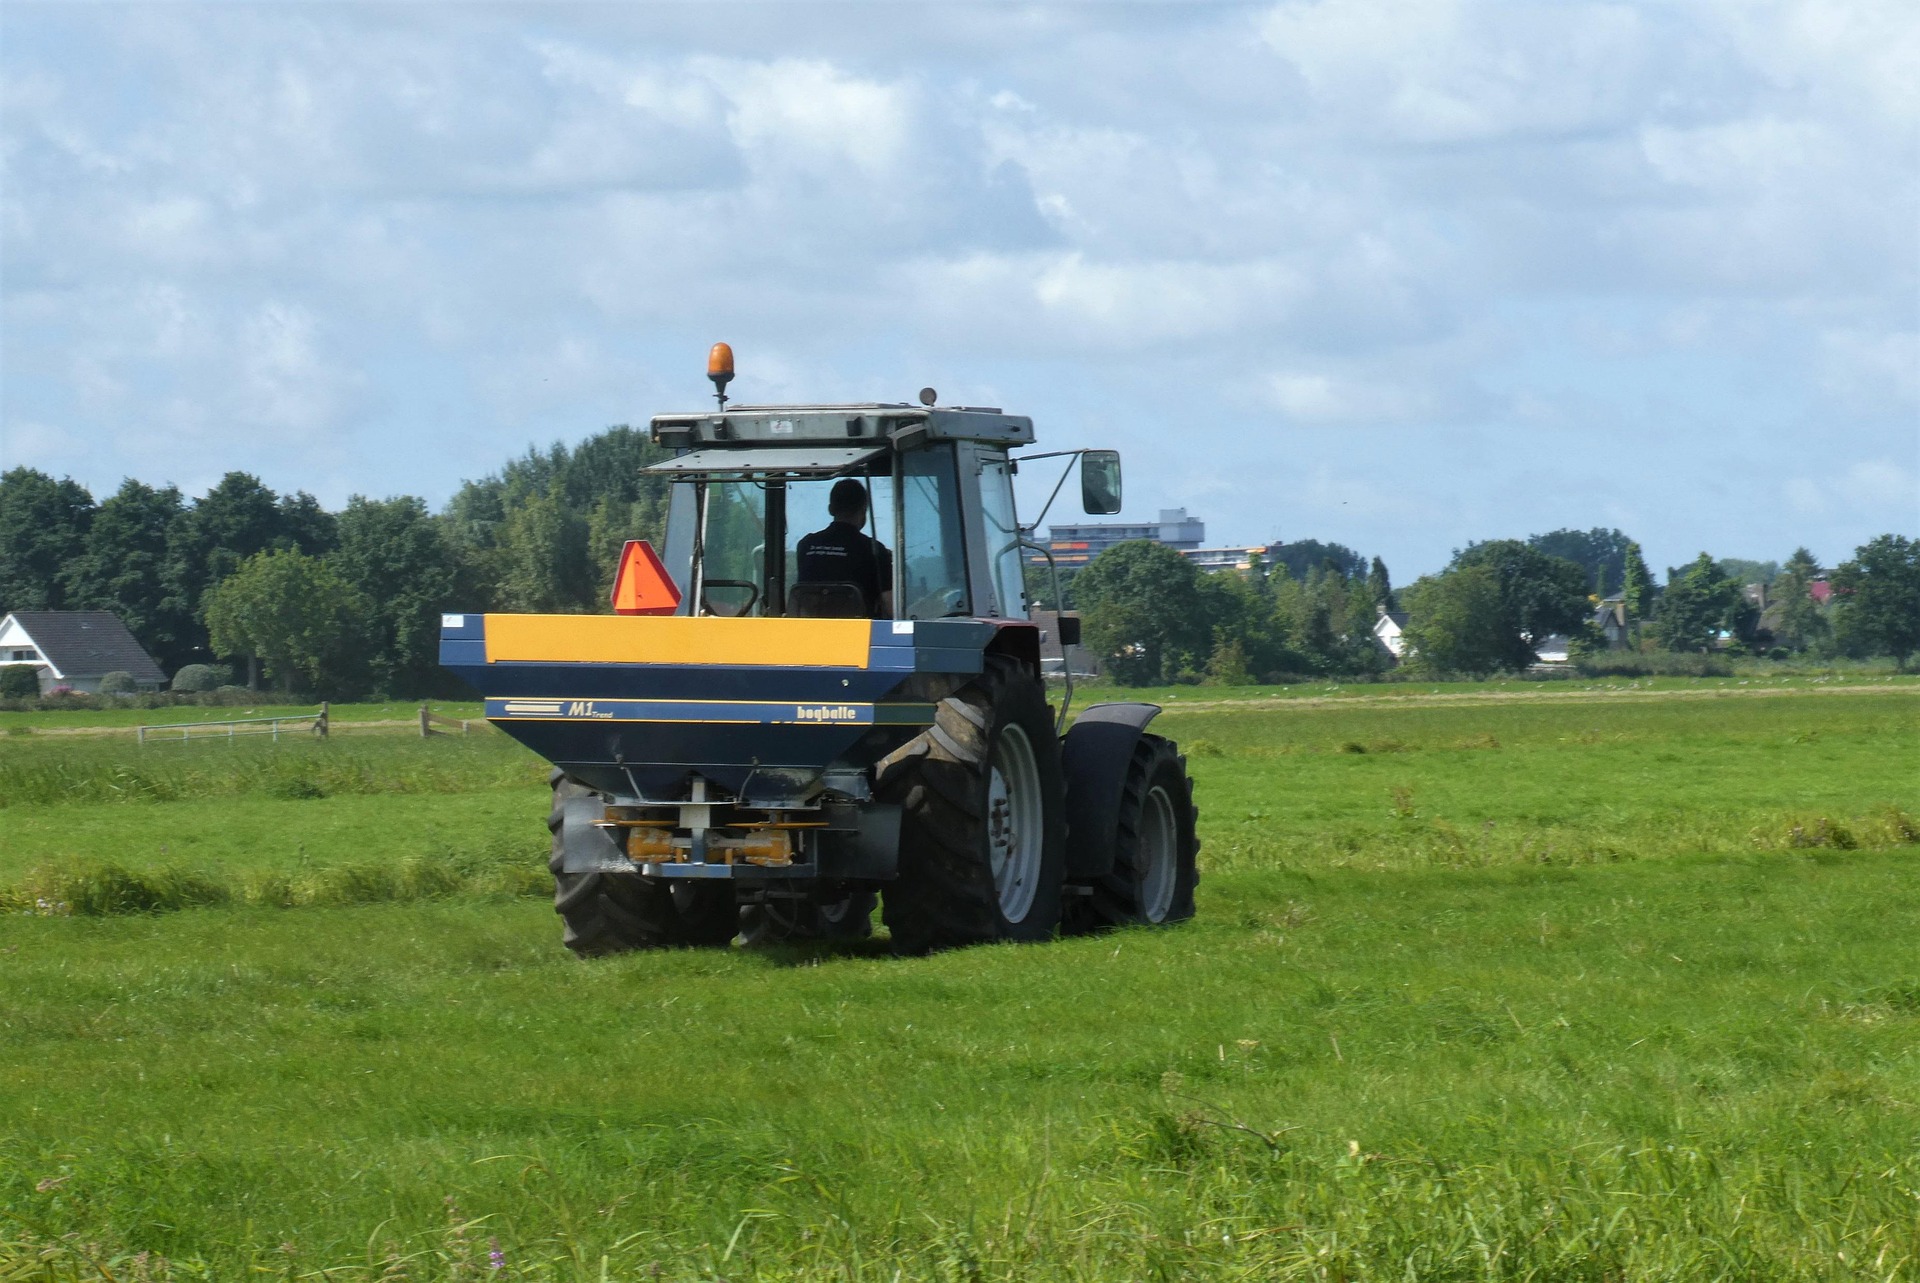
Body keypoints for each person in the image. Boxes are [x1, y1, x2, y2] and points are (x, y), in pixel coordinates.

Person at [795, 479, 894, 617]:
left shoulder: (806, 545)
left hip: (809, 628)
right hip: (859, 629)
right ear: (863, 510)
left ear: (831, 509)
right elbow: (889, 603)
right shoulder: (874, 550)